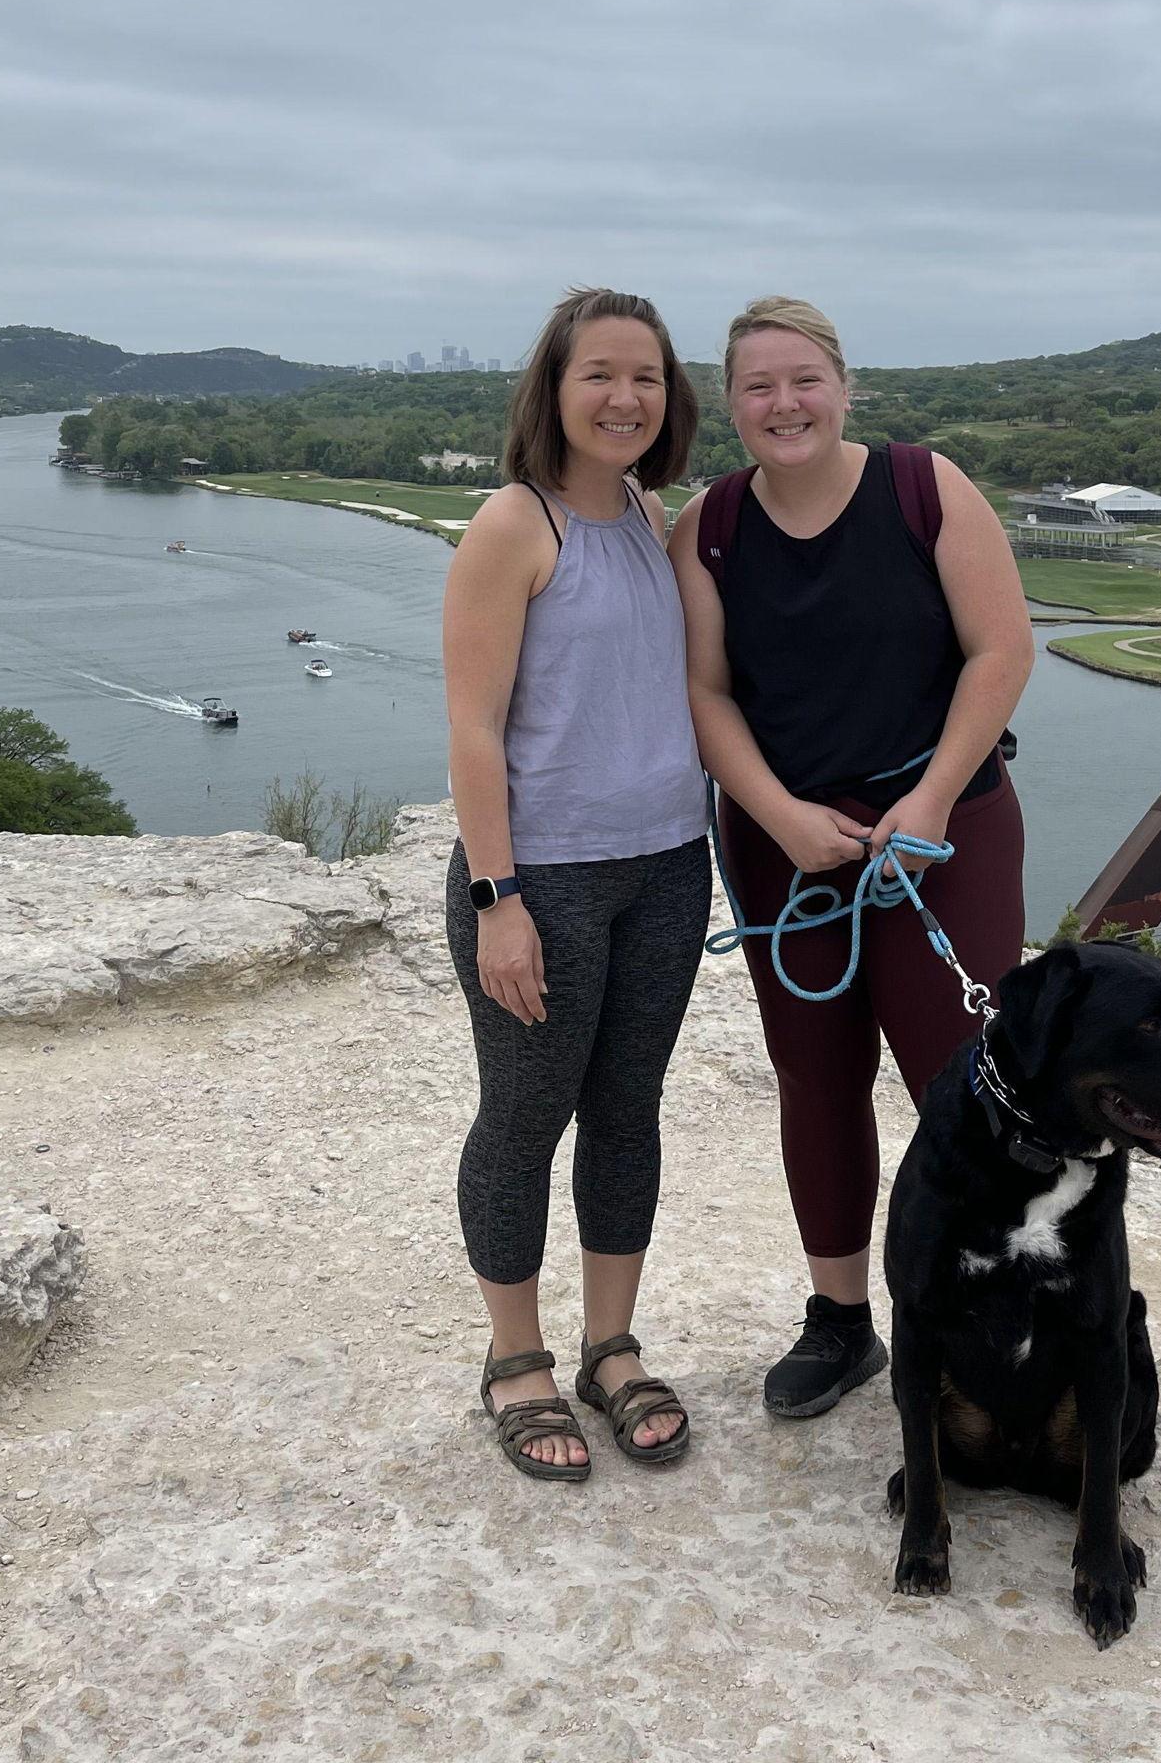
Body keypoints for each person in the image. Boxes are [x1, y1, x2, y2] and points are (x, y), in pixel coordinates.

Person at [668, 296, 1035, 1417]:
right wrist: (776, 812)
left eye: (802, 379)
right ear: (730, 406)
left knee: (969, 1086)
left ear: (843, 384)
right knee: (815, 1079)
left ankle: (989, 1316)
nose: (783, 404)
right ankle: (839, 1322)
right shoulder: (710, 528)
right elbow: (705, 690)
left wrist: (926, 800)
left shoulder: (927, 489)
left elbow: (999, 648)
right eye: (756, 387)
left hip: (944, 832)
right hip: (790, 847)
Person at [443, 287, 711, 1480]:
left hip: (664, 864)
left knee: (626, 1109)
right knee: (524, 1114)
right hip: (542, 877)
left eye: (645, 376)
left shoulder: (652, 517)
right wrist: (497, 896)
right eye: (598, 373)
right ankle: (517, 1359)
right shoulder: (515, 523)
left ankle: (610, 1341)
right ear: (552, 388)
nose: (624, 397)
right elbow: (471, 726)